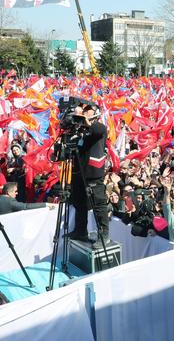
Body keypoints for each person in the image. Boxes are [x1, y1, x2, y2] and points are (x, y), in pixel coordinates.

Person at [69, 103, 111, 249]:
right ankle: (80, 231)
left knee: (98, 205)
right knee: (80, 203)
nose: (83, 115)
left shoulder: (99, 127)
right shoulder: (79, 130)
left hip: (93, 173)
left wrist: (87, 123)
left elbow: (98, 131)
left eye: (87, 112)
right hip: (79, 172)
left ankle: (103, 235)